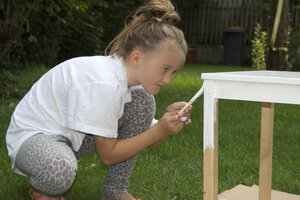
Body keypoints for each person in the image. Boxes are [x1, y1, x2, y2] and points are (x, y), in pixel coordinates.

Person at [6, 0, 192, 199]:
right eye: (165, 69)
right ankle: (45, 190)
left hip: (67, 138)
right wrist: (160, 129)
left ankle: (114, 194)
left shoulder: (130, 87)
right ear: (137, 58)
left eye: (173, 72)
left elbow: (148, 141)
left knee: (144, 102)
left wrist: (167, 123)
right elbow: (108, 156)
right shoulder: (105, 83)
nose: (168, 79)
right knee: (59, 169)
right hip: (33, 140)